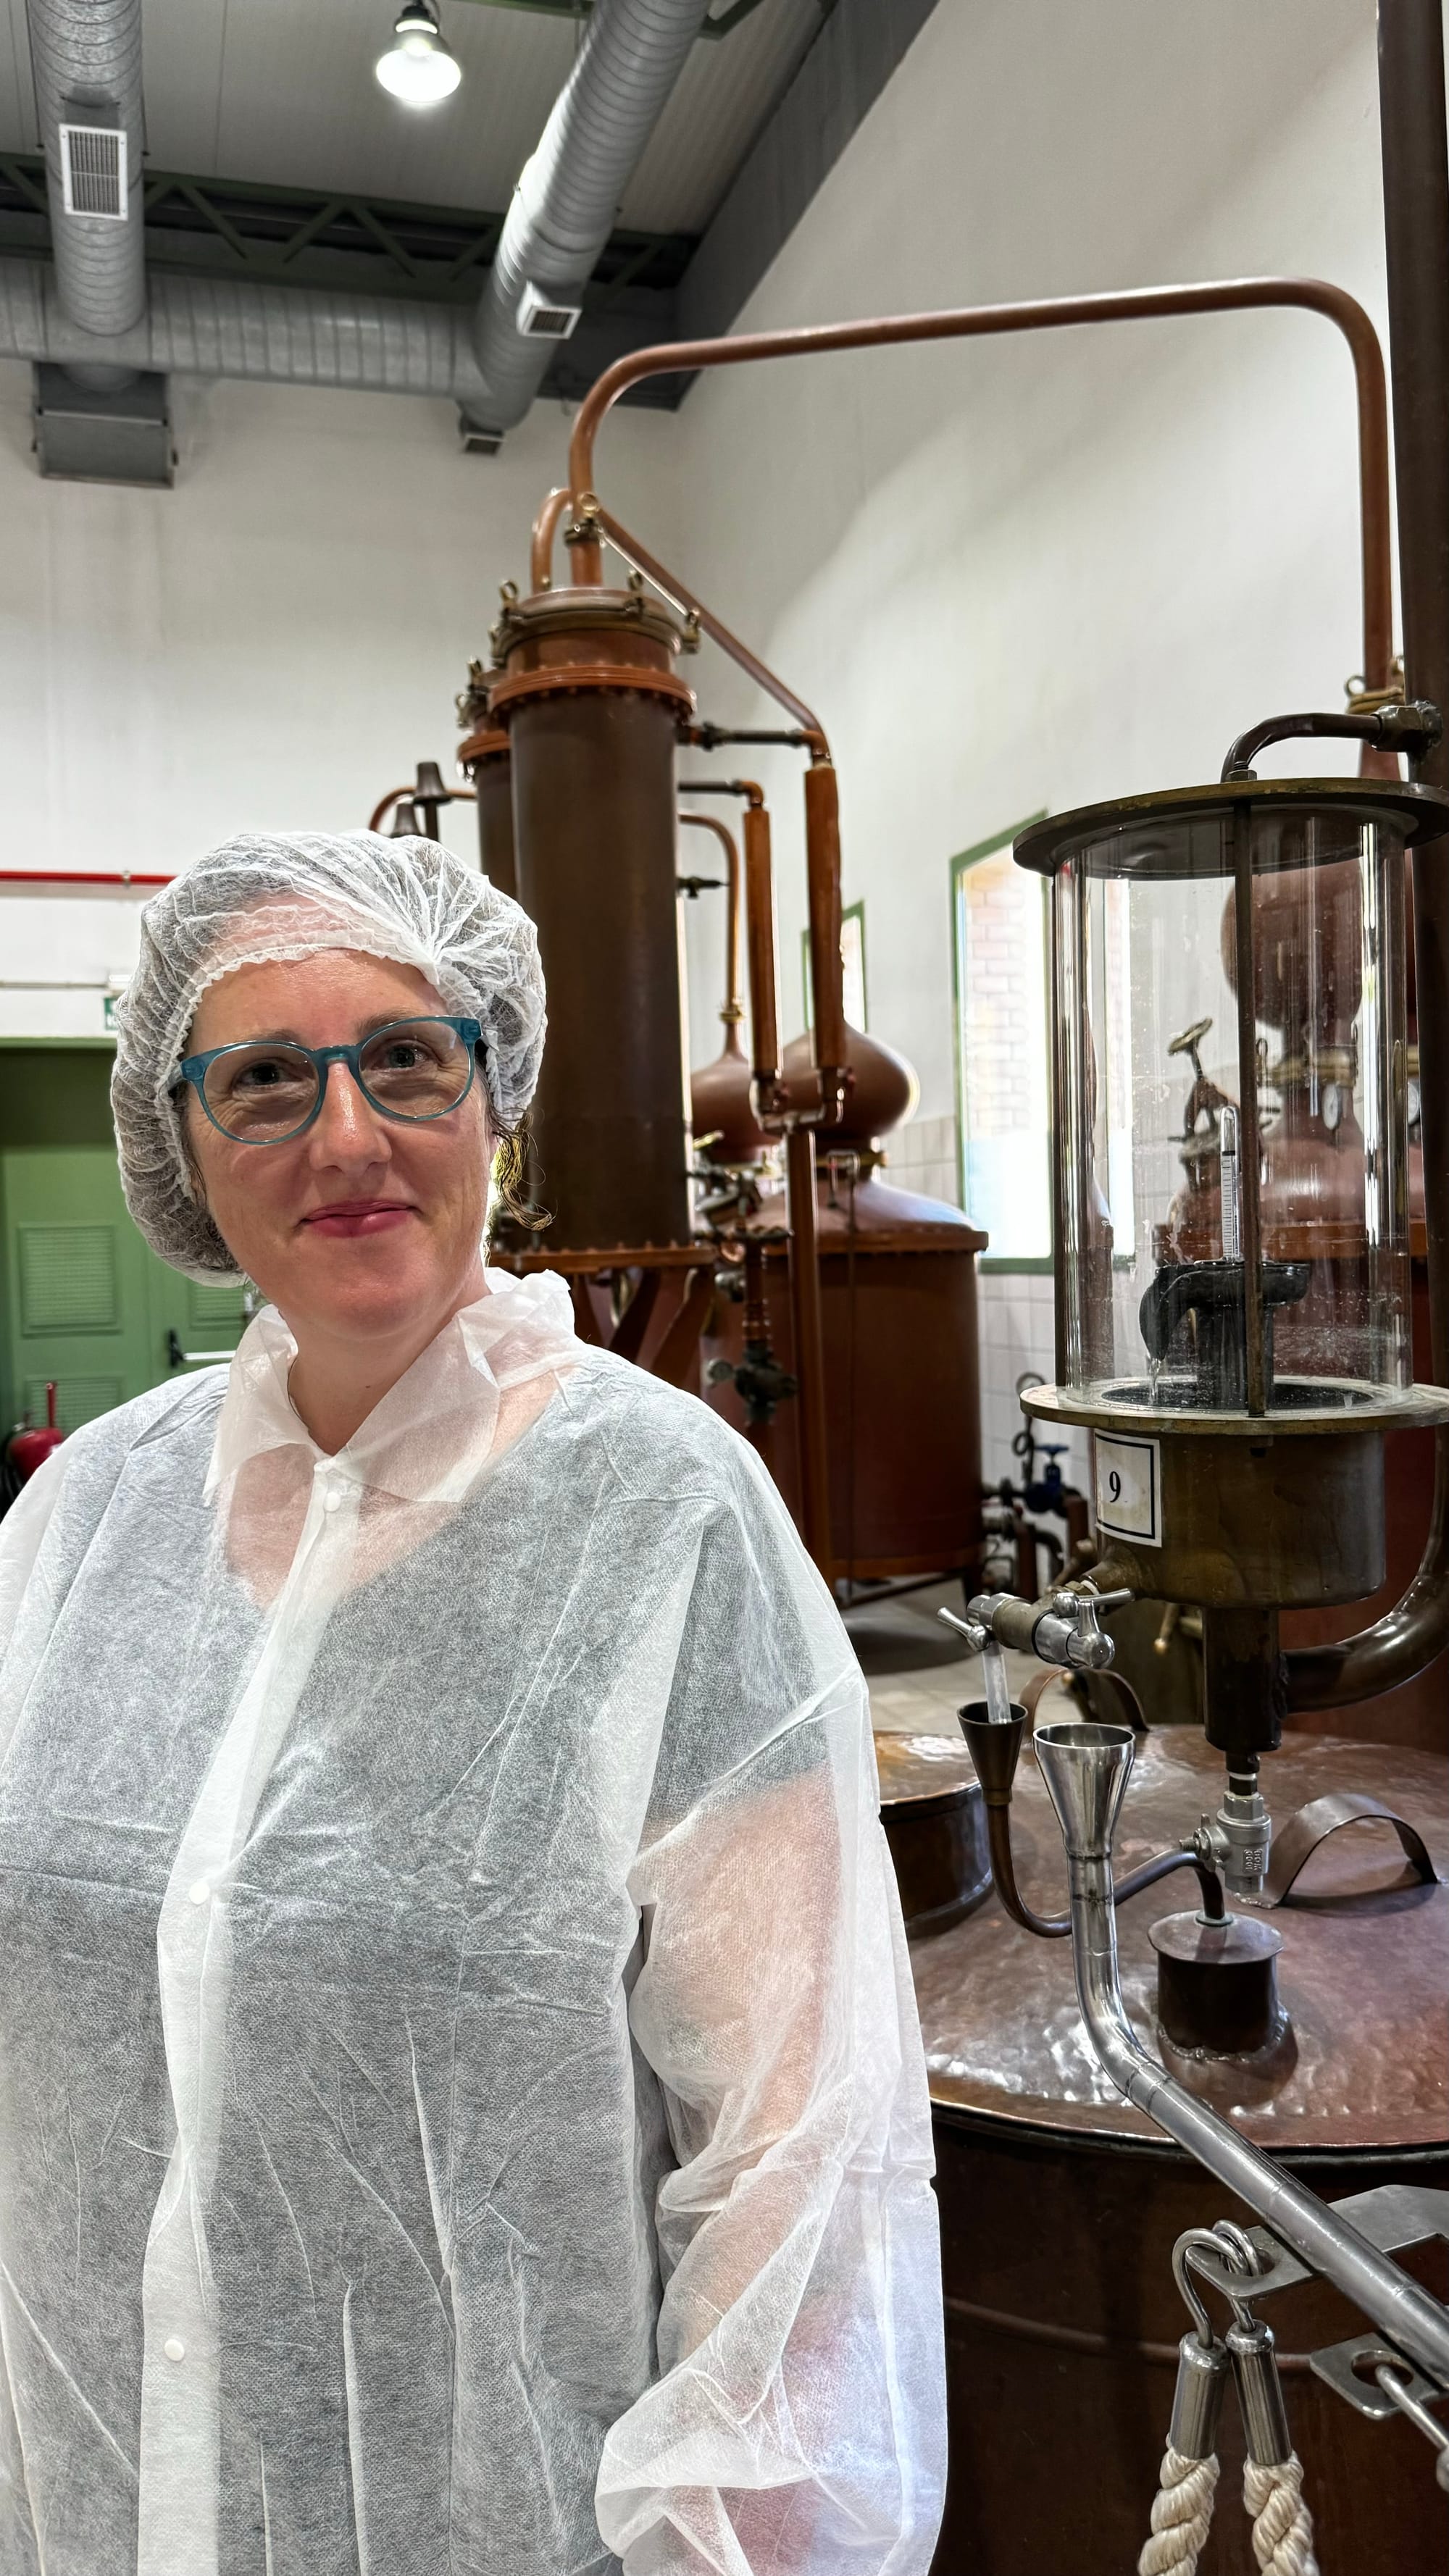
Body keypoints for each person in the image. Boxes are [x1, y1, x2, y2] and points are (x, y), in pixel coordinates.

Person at [0, 832, 946, 2576]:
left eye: (407, 1058)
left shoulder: (664, 1515)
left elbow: (795, 2164)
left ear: (493, 1095)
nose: (347, 1135)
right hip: (86, 2506)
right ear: (178, 1144)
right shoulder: (87, 1516)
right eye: (264, 1078)